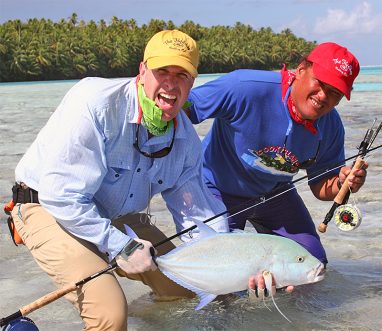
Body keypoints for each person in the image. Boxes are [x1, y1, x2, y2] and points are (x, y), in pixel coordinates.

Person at [7, 30, 280, 331]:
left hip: (116, 217)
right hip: (48, 207)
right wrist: (120, 246)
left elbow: (199, 220)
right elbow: (62, 197)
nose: (171, 83)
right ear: (142, 70)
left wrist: (241, 270)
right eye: (162, 70)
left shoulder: (186, 140)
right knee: (110, 314)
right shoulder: (95, 104)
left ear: (192, 82)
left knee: (186, 294)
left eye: (182, 74)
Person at [187, 42, 367, 266]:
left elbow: (320, 185)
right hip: (216, 190)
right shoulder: (244, 87)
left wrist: (342, 184)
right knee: (224, 278)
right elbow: (184, 108)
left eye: (334, 93)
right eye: (320, 83)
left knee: (312, 266)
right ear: (301, 70)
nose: (323, 96)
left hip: (275, 194)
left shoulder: (331, 126)